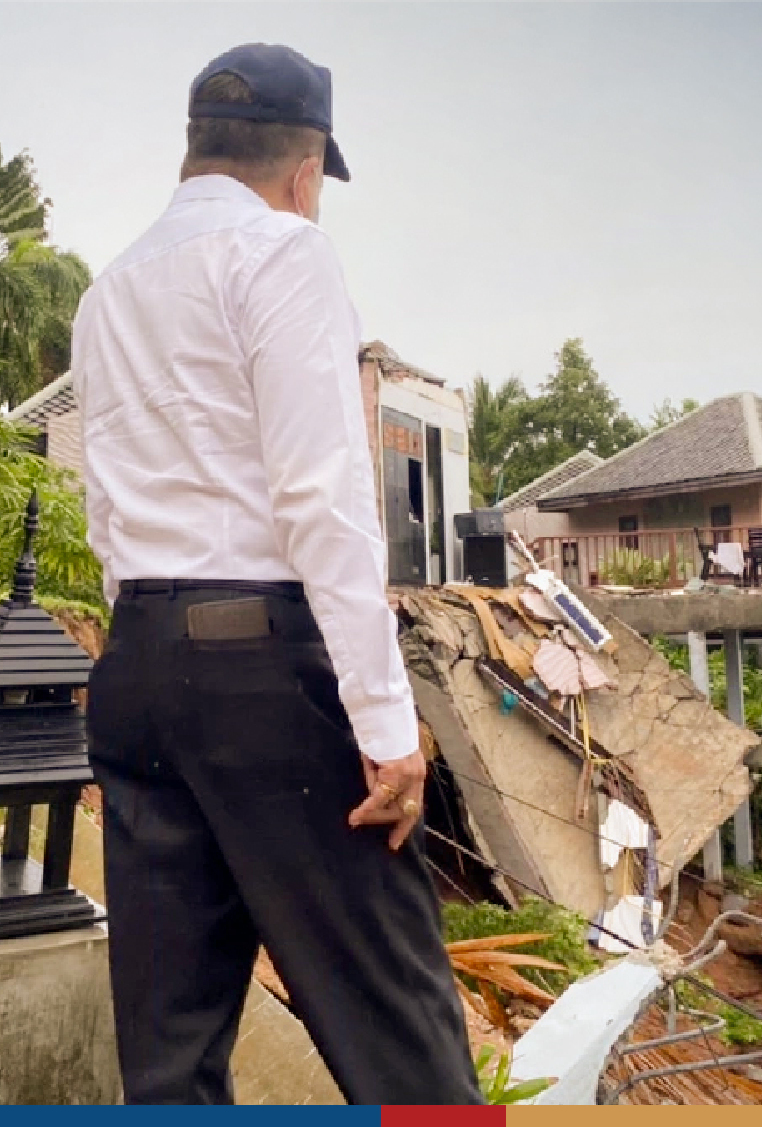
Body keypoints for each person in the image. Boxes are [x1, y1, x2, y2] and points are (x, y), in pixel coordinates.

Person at [72, 43, 483, 1105]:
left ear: (193, 150)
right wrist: (385, 724)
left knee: (169, 1044)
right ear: (305, 175)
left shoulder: (107, 289)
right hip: (262, 672)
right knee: (398, 1014)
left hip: (139, 672)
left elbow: (103, 505)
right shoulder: (284, 255)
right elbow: (324, 501)